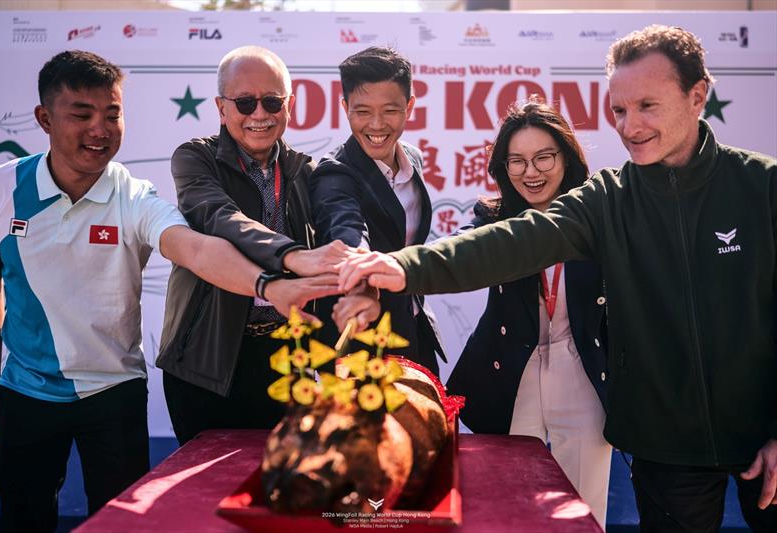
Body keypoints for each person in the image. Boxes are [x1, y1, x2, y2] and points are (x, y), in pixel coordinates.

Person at [338, 25, 777, 532]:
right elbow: (510, 242)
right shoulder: (608, 200)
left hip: (763, 437)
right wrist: (400, 266)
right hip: (666, 452)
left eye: (647, 107)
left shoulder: (761, 187)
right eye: (618, 110)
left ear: (698, 95)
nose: (629, 127)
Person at [0, 50, 337, 533]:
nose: (100, 130)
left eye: (112, 114)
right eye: (81, 115)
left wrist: (268, 286)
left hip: (115, 392)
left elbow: (196, 249)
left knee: (122, 524)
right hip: (26, 393)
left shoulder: (134, 195)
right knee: (22, 519)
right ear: (44, 118)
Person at [156, 46, 348, 445]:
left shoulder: (306, 171)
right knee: (202, 495)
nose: (259, 114)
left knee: (281, 488)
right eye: (244, 102)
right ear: (221, 108)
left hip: (286, 361)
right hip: (205, 362)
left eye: (272, 101)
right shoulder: (195, 158)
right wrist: (292, 255)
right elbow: (220, 219)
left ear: (289, 105)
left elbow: (342, 227)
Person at [445, 97, 612, 528]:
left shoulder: (597, 216)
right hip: (512, 371)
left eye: (543, 157)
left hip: (583, 368)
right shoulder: (494, 218)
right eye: (517, 161)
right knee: (511, 504)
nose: (531, 172)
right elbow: (460, 254)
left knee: (584, 504)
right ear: (503, 166)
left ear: (566, 158)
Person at [310, 46, 445, 374]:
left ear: (410, 106)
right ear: (344, 108)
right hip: (359, 346)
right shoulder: (335, 173)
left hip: (414, 333)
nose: (376, 125)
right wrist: (362, 284)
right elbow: (348, 231)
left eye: (390, 110)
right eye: (362, 111)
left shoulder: (412, 158)